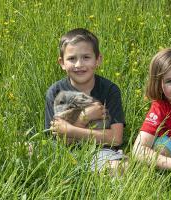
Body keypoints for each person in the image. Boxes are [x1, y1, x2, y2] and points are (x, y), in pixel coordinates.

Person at [45, 28, 126, 173]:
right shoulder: (55, 92)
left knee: (119, 169)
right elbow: (60, 140)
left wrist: (70, 130)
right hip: (62, 154)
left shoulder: (110, 90)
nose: (78, 65)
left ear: (98, 60)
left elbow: (116, 139)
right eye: (71, 59)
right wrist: (85, 116)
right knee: (26, 149)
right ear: (62, 62)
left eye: (86, 57)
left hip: (100, 152)